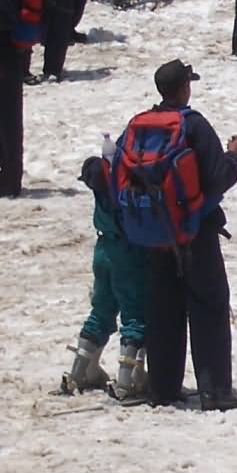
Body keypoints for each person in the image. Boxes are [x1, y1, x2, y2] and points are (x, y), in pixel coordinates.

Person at [135, 60, 237, 408]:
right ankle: (214, 391)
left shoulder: (140, 126)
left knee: (163, 309)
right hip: (195, 231)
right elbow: (217, 177)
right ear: (184, 88)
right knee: (209, 307)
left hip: (155, 233)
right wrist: (233, 156)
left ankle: (163, 389)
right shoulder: (193, 125)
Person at [61, 141, 148, 398]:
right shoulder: (122, 189)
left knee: (101, 309)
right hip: (127, 252)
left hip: (103, 249)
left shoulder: (99, 189)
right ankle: (126, 380)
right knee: (134, 314)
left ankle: (79, 372)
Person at [0, 0, 31, 196]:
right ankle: (9, 178)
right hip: (11, 50)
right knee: (9, 116)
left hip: (5, 50)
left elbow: (6, 15)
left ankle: (9, 180)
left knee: (8, 117)